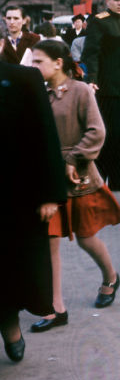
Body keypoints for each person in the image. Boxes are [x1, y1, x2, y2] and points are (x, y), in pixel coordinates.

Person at [29, 40, 120, 334]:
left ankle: (110, 277)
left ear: (58, 63)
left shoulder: (81, 91)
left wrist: (74, 158)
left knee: (86, 237)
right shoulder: (37, 93)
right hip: (48, 176)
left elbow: (97, 131)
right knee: (50, 241)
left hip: (79, 177)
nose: (33, 67)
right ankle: (56, 308)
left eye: (38, 62)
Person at [0, 59, 67, 363]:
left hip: (17, 195)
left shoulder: (23, 78)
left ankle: (10, 326)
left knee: (11, 270)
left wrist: (50, 195)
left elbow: (46, 136)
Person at [80, 0, 120, 192]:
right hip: (107, 88)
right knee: (108, 135)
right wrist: (92, 78)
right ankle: (100, 179)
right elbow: (91, 53)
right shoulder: (99, 22)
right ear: (107, 0)